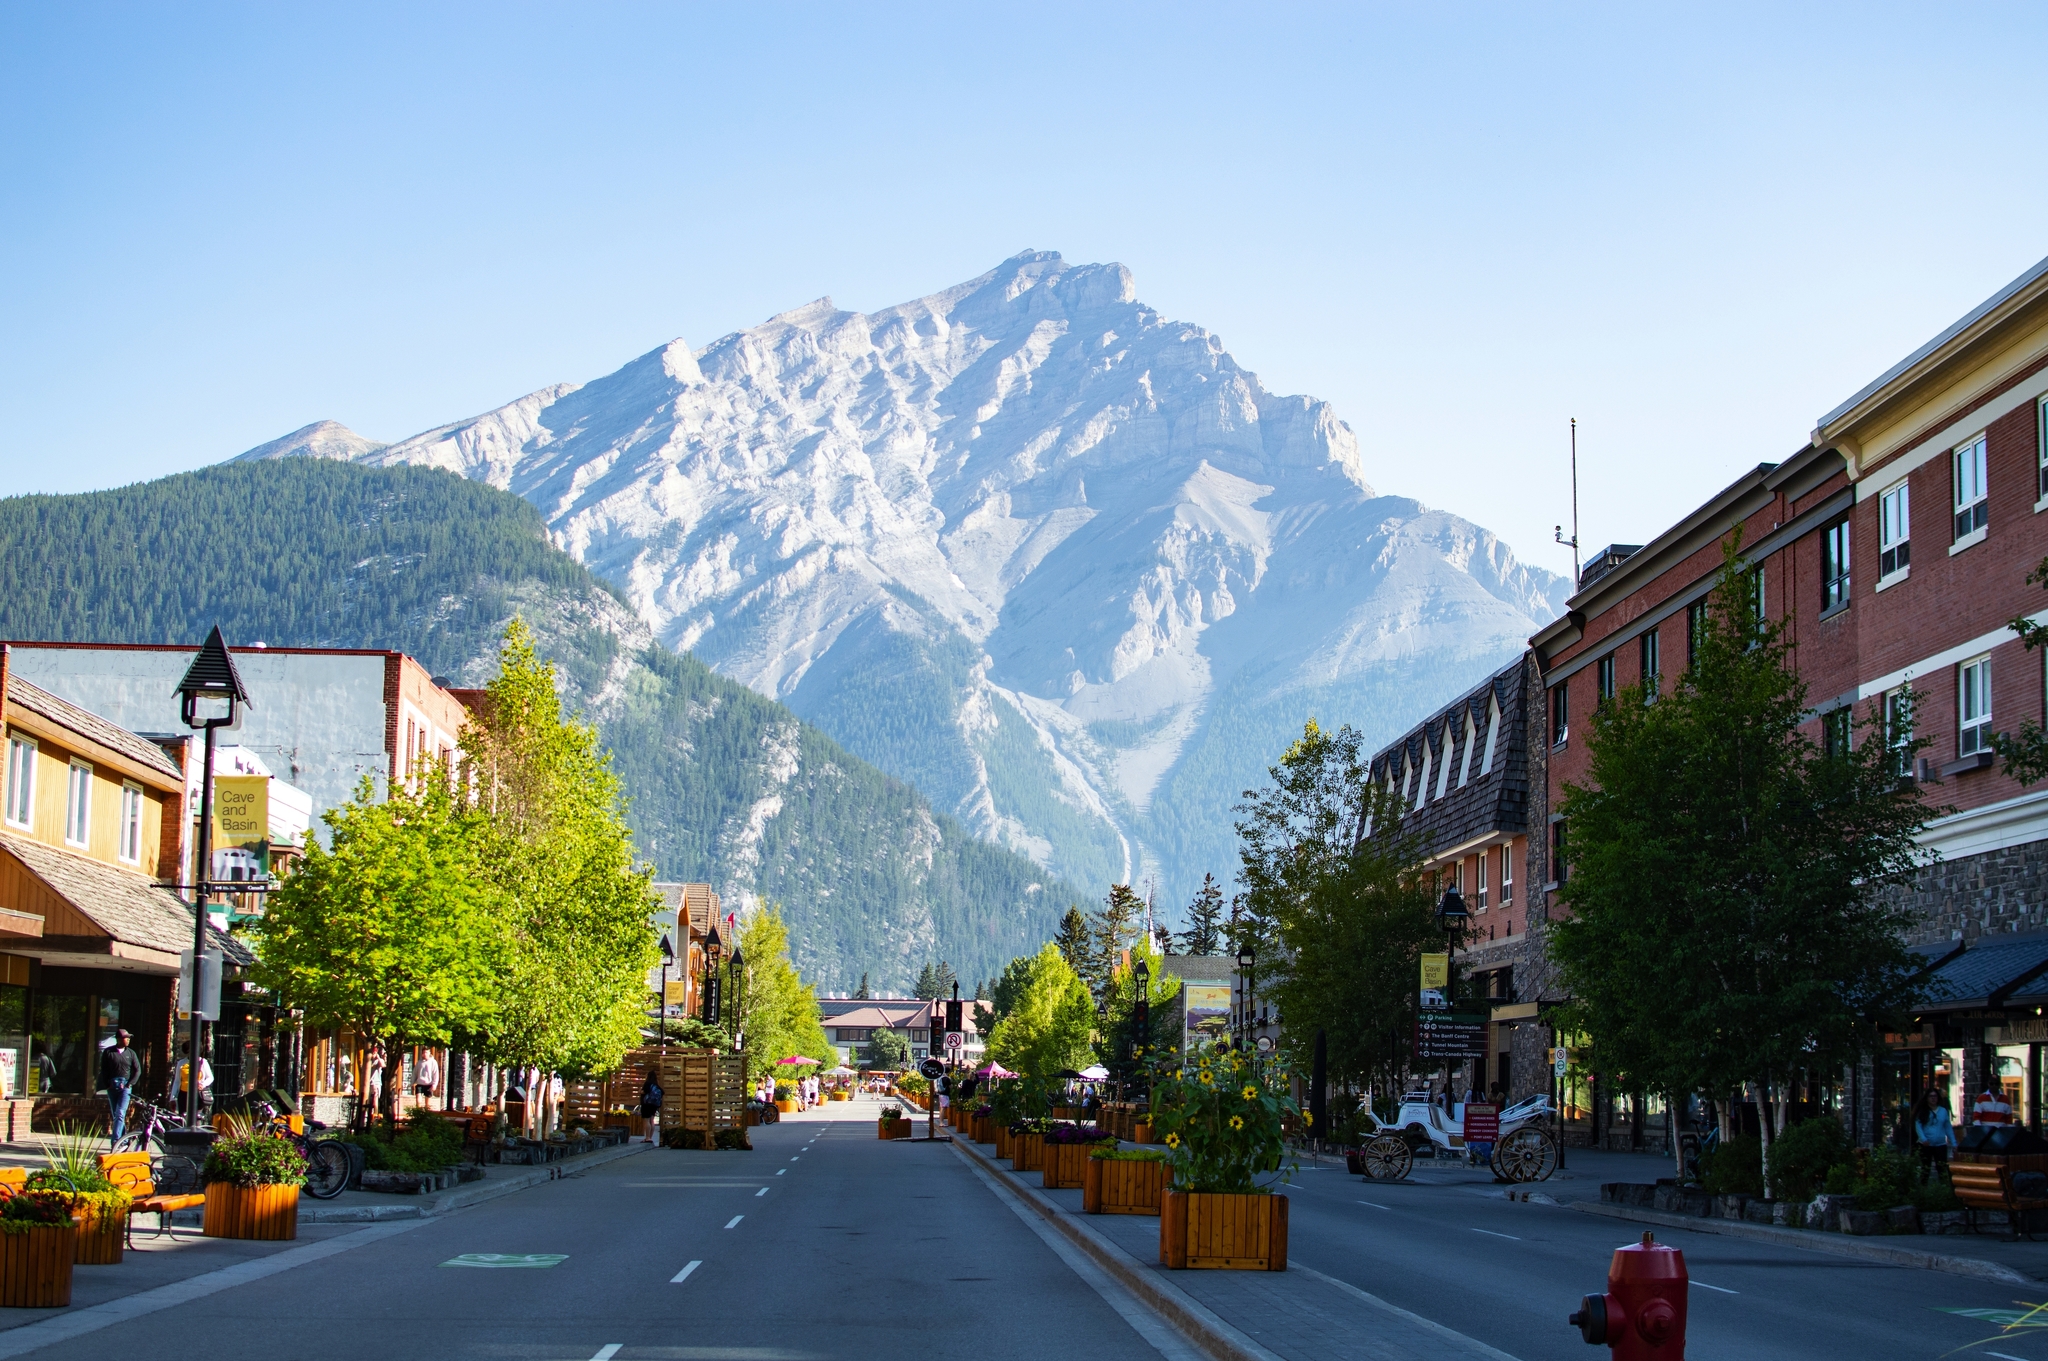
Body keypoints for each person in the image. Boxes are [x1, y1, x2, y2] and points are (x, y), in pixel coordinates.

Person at [99, 1029, 140, 1145]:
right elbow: (104, 1070)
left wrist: (129, 1084)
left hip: (125, 1086)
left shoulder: (131, 1053)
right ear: (119, 1039)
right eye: (126, 1038)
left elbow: (137, 1070)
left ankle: (116, 1141)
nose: (128, 1040)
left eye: (128, 1038)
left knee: (120, 1113)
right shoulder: (108, 1052)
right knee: (116, 1114)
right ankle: (124, 1140)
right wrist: (107, 1084)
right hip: (112, 1086)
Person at [1916, 1088, 1956, 1180]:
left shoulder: (1943, 1111)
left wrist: (1954, 1142)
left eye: (1935, 1096)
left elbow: (1948, 1127)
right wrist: (1923, 1139)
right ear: (1927, 1098)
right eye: (1931, 1096)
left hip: (1940, 1144)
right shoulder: (1923, 1111)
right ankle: (1923, 1189)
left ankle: (1943, 1189)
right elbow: (1918, 1125)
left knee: (1942, 1168)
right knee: (1925, 1169)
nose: (1933, 1098)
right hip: (1926, 1144)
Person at [171, 1043, 213, 1117]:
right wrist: (172, 1098)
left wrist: (203, 1084)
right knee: (183, 1118)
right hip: (183, 1095)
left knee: (196, 1118)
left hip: (197, 1095)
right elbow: (177, 1081)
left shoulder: (203, 1062)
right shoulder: (181, 1063)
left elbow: (210, 1077)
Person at [639, 1070, 664, 1144]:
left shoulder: (648, 1083)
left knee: (646, 1120)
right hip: (654, 1105)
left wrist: (640, 1091)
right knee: (652, 1120)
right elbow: (662, 1092)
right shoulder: (656, 1085)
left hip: (646, 1104)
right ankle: (650, 1137)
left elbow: (644, 1091)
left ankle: (647, 1137)